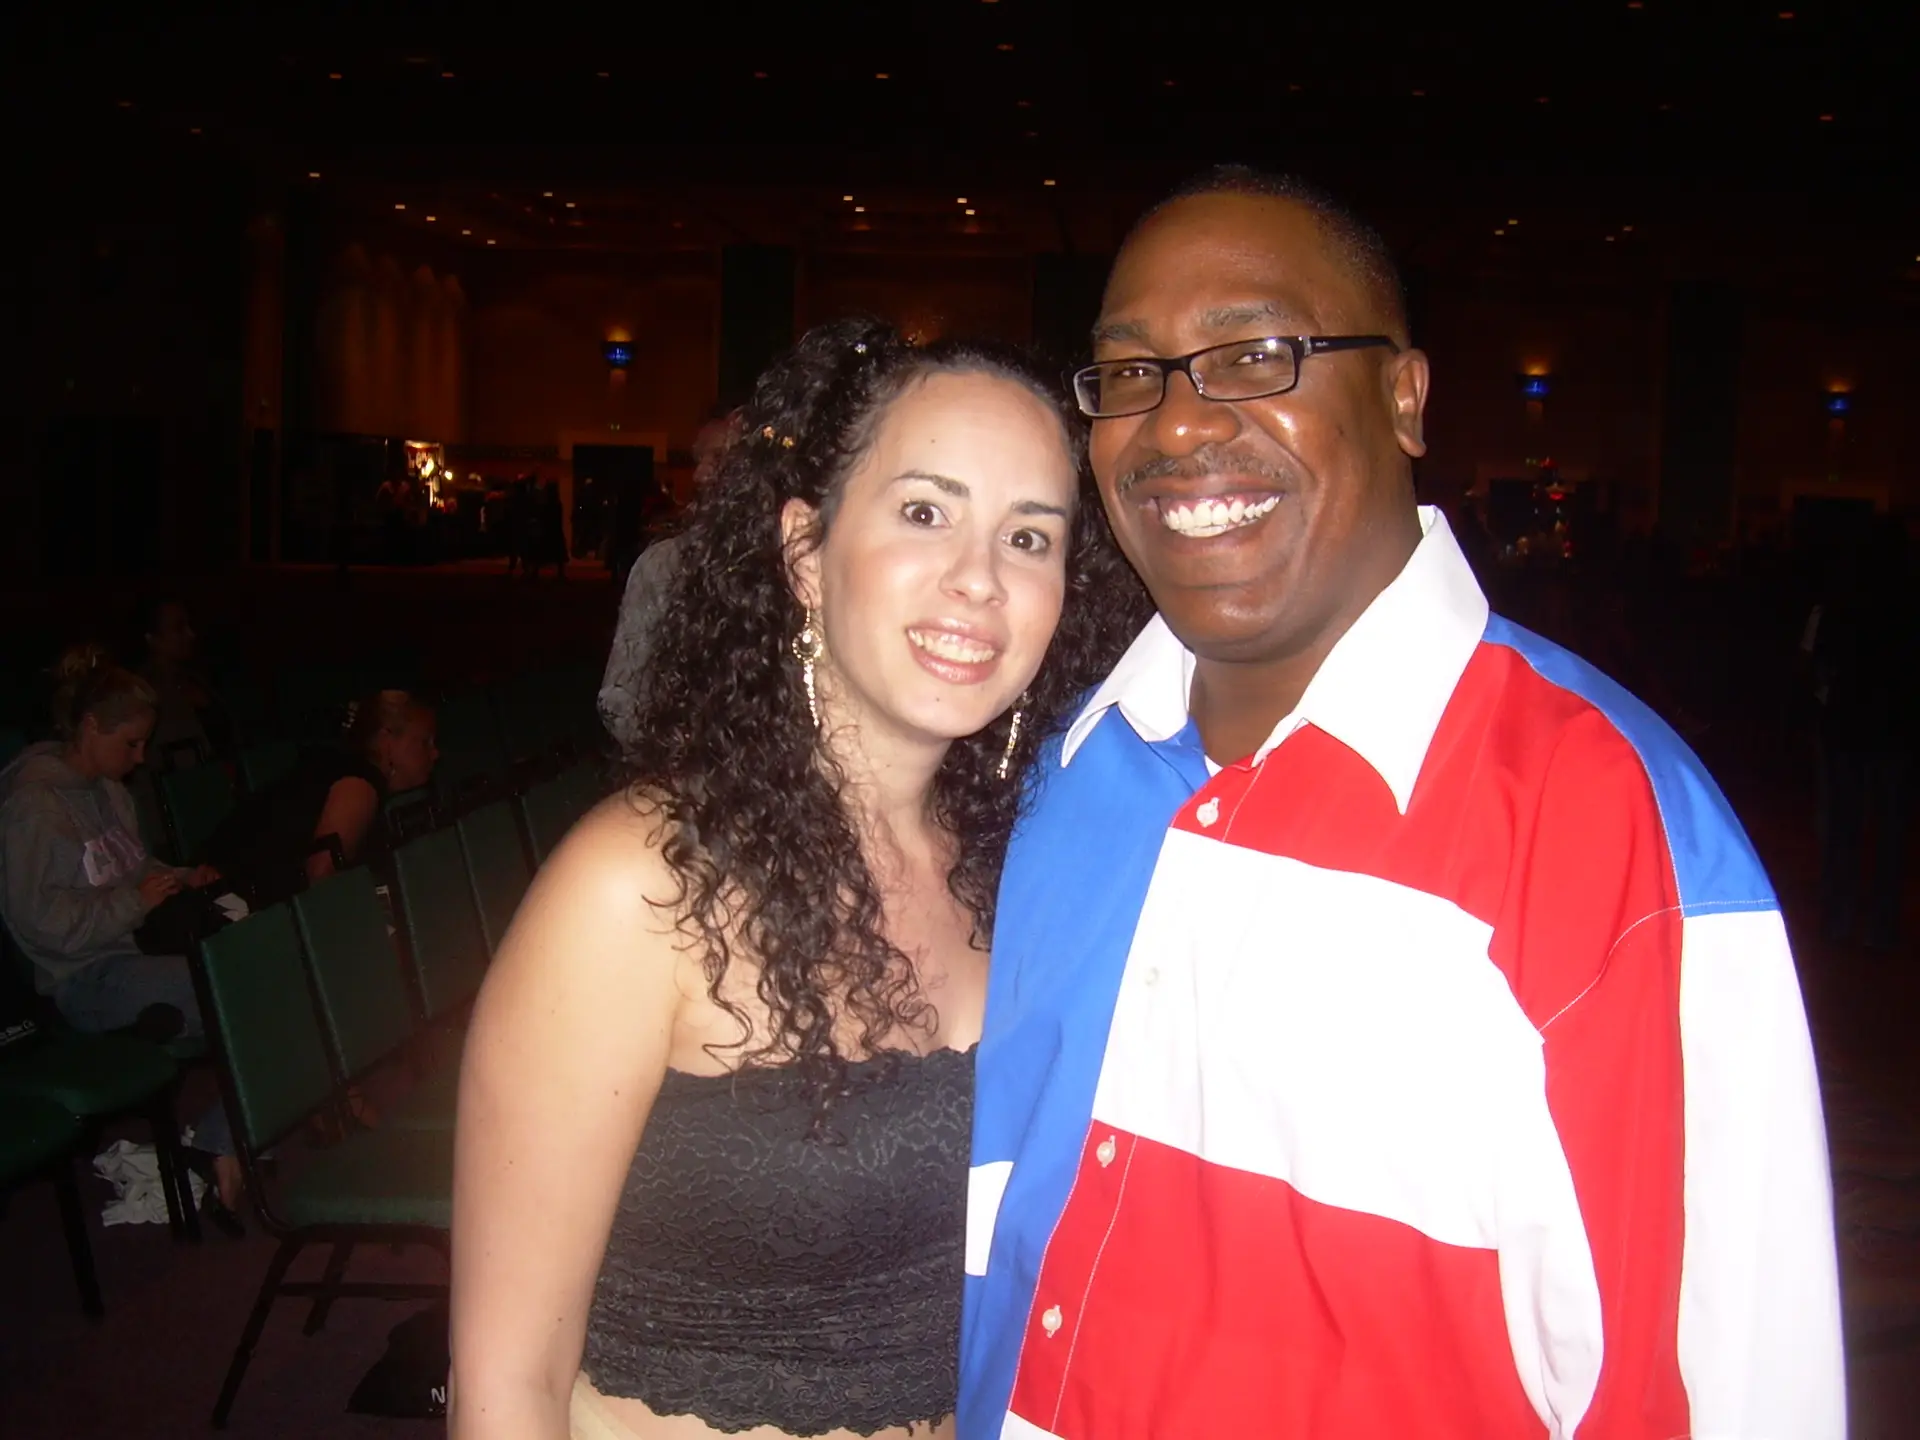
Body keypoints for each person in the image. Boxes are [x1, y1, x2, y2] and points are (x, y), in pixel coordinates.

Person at [960, 168, 1844, 1439]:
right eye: (1133, 372)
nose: (1179, 425)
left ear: (1404, 397)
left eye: (1254, 355)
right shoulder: (1056, 769)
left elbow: (1729, 1393)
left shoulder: (1615, 829)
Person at [449, 316, 1146, 1440]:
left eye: (1029, 538)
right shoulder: (636, 890)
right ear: (805, 553)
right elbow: (507, 1380)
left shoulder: (1022, 867)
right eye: (925, 513)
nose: (979, 580)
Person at [0, 644, 244, 1212]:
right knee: (241, 990)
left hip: (136, 955)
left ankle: (229, 1138)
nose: (140, 758)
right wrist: (133, 904)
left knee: (260, 966)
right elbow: (39, 926)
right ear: (90, 726)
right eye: (130, 743)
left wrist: (181, 876)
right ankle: (221, 1142)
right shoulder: (33, 809)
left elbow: (134, 866)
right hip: (83, 980)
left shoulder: (108, 791)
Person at [203, 690, 438, 907]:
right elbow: (320, 880)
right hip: (225, 898)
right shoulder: (359, 784)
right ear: (387, 743)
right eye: (424, 742)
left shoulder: (346, 767)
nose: (435, 753)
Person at [597, 408, 737, 750]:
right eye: (698, 459)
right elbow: (620, 697)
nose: (701, 474)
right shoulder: (664, 567)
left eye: (718, 458)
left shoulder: (803, 568)